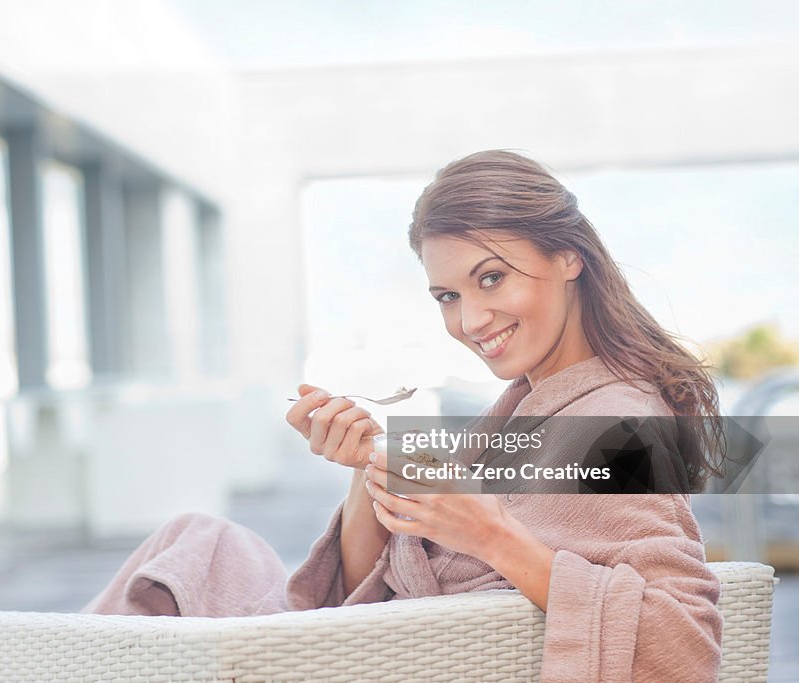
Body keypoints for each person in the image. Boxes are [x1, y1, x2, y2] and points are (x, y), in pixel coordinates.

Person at [80, 150, 724, 682]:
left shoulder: (620, 426)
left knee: (190, 551)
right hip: (389, 648)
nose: (470, 322)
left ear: (567, 258)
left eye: (492, 279)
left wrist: (494, 536)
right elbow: (363, 590)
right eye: (448, 296)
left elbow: (682, 643)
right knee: (197, 542)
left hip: (391, 663)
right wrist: (370, 464)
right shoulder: (522, 412)